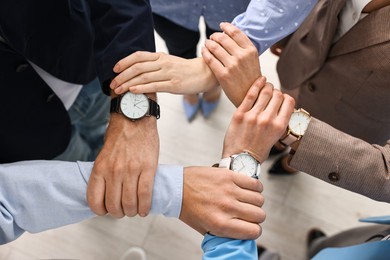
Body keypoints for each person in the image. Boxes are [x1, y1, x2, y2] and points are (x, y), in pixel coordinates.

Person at [0, 77, 294, 252]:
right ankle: (110, 196)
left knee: (98, 143)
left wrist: (133, 113)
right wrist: (171, 191)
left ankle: (111, 196)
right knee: (81, 161)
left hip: (81, 80)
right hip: (26, 138)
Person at [0, 0, 160, 220]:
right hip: (24, 138)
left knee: (99, 132)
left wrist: (135, 106)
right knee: (86, 173)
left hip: (89, 65)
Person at [149, 0, 249, 121]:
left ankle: (213, 86)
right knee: (179, 49)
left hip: (232, 6)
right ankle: (189, 91)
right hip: (166, 7)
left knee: (223, 52)